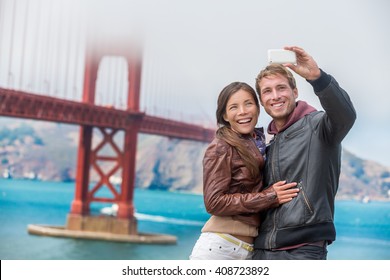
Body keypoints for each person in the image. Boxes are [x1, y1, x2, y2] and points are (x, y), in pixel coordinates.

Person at [252, 46, 357, 260]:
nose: (275, 96)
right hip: (262, 250)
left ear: (295, 92)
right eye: (267, 91)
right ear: (262, 102)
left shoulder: (318, 126)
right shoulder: (266, 142)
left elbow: (345, 116)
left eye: (281, 88)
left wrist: (317, 78)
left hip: (302, 250)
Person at [189, 81, 299, 260]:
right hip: (220, 249)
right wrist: (269, 196)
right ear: (224, 115)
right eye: (233, 107)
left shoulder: (258, 144)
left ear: (258, 107)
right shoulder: (220, 147)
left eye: (248, 103)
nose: (243, 111)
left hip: (246, 249)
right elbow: (214, 202)